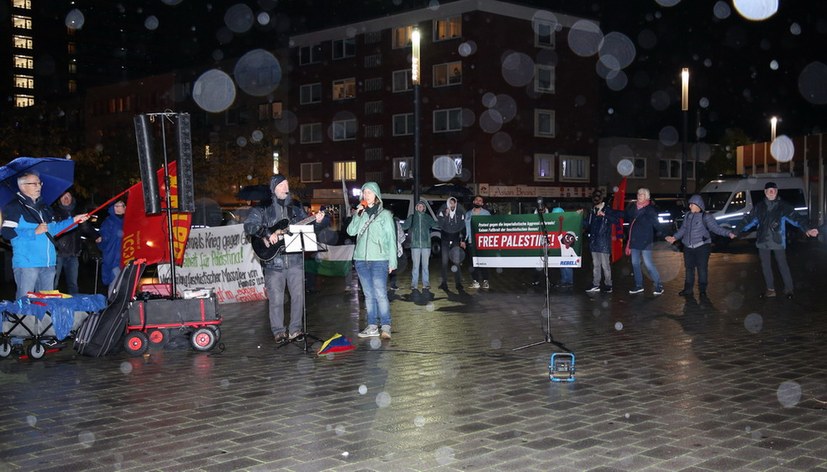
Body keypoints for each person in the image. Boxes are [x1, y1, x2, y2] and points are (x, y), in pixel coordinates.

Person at [244, 174, 327, 343]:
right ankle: (278, 331)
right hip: (274, 262)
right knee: (276, 299)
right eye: (282, 185)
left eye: (287, 185)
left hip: (295, 260)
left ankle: (295, 330)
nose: (286, 188)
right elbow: (250, 226)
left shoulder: (295, 207)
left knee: (298, 297)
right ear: (274, 188)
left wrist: (317, 222)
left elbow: (308, 227)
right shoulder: (263, 208)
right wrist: (267, 233)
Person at [1, 172, 89, 299]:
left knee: (46, 304)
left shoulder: (45, 208)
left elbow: (53, 229)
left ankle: (43, 320)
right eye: (34, 183)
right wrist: (34, 231)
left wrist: (74, 220)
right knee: (26, 305)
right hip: (27, 264)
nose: (39, 186)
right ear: (23, 186)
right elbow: (6, 232)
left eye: (39, 183)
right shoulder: (14, 207)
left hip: (48, 263)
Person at [735, 181, 818, 299]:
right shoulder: (759, 207)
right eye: (769, 190)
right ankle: (770, 290)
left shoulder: (783, 206)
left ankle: (789, 289)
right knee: (766, 266)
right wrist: (736, 231)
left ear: (777, 191)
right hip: (763, 241)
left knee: (782, 265)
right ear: (765, 192)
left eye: (773, 190)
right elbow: (748, 220)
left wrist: (807, 229)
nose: (771, 192)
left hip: (777, 240)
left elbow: (796, 218)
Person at [347, 182, 397, 339]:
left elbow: (391, 239)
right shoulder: (361, 213)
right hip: (361, 260)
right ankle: (372, 325)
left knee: (380, 293)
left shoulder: (385, 215)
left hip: (379, 260)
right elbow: (351, 231)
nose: (366, 195)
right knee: (368, 295)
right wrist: (357, 215)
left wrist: (392, 262)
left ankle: (386, 326)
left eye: (369, 192)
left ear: (376, 195)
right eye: (364, 192)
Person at [665, 194, 736, 297]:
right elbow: (683, 229)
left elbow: (716, 228)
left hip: (702, 247)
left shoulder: (706, 217)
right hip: (688, 248)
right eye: (689, 205)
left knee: (702, 269)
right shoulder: (688, 216)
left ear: (698, 205)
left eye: (692, 204)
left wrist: (728, 233)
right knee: (689, 269)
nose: (690, 207)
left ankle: (702, 290)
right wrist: (674, 238)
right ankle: (688, 289)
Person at [53, 191, 96, 294]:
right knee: (53, 282)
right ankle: (50, 304)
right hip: (58, 253)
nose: (66, 198)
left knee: (73, 283)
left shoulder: (77, 212)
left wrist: (96, 236)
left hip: (73, 253)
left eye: (68, 196)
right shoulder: (54, 212)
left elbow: (86, 227)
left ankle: (75, 305)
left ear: (72, 198)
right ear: (59, 199)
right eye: (63, 196)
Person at [624, 188, 664, 295]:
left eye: (641, 194)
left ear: (647, 197)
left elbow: (656, 223)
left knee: (648, 264)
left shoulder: (649, 209)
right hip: (635, 240)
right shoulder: (633, 208)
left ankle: (658, 284)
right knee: (635, 263)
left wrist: (666, 234)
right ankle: (639, 285)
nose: (639, 196)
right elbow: (623, 214)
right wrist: (607, 212)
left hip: (646, 241)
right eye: (638, 194)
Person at [583, 189, 622, 293]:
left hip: (604, 242)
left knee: (605, 265)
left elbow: (616, 220)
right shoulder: (592, 211)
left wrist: (605, 215)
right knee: (596, 265)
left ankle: (608, 284)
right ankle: (596, 284)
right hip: (594, 242)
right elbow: (587, 224)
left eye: (597, 197)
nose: (595, 200)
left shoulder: (607, 209)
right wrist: (580, 216)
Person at [401, 200, 439, 291]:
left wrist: (444, 219)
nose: (420, 207)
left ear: (424, 208)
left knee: (425, 266)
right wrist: (395, 222)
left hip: (426, 245)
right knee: (415, 266)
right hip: (415, 245)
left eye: (422, 206)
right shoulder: (412, 217)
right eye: (419, 206)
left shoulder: (427, 217)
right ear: (416, 208)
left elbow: (435, 224)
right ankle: (414, 284)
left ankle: (426, 284)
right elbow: (404, 226)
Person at [437, 196, 466, 290]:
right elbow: (440, 225)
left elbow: (462, 227)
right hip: (445, 240)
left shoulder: (460, 213)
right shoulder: (442, 212)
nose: (452, 205)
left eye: (453, 203)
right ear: (447, 204)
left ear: (456, 204)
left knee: (456, 262)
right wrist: (446, 215)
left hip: (455, 240)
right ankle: (443, 283)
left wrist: (462, 240)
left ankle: (458, 284)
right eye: (450, 203)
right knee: (444, 262)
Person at [462, 195, 491, 289]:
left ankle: (485, 281)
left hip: (483, 242)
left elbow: (491, 227)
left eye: (480, 201)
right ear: (473, 202)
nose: (478, 202)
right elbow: (465, 228)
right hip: (471, 242)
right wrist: (463, 240)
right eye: (476, 200)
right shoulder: (468, 214)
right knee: (473, 263)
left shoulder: (486, 214)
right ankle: (475, 281)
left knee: (484, 262)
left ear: (482, 203)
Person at [96, 199, 126, 291]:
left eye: (123, 205)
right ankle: (112, 303)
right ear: (115, 208)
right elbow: (104, 238)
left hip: (127, 257)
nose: (124, 207)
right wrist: (101, 239)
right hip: (114, 258)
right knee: (115, 283)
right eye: (120, 205)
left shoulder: (128, 219)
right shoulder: (108, 222)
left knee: (125, 285)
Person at [550, 204, 574, 288]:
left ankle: (569, 281)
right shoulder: (554, 223)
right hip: (559, 248)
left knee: (567, 266)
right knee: (562, 265)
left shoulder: (565, 222)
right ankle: (564, 280)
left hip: (565, 247)